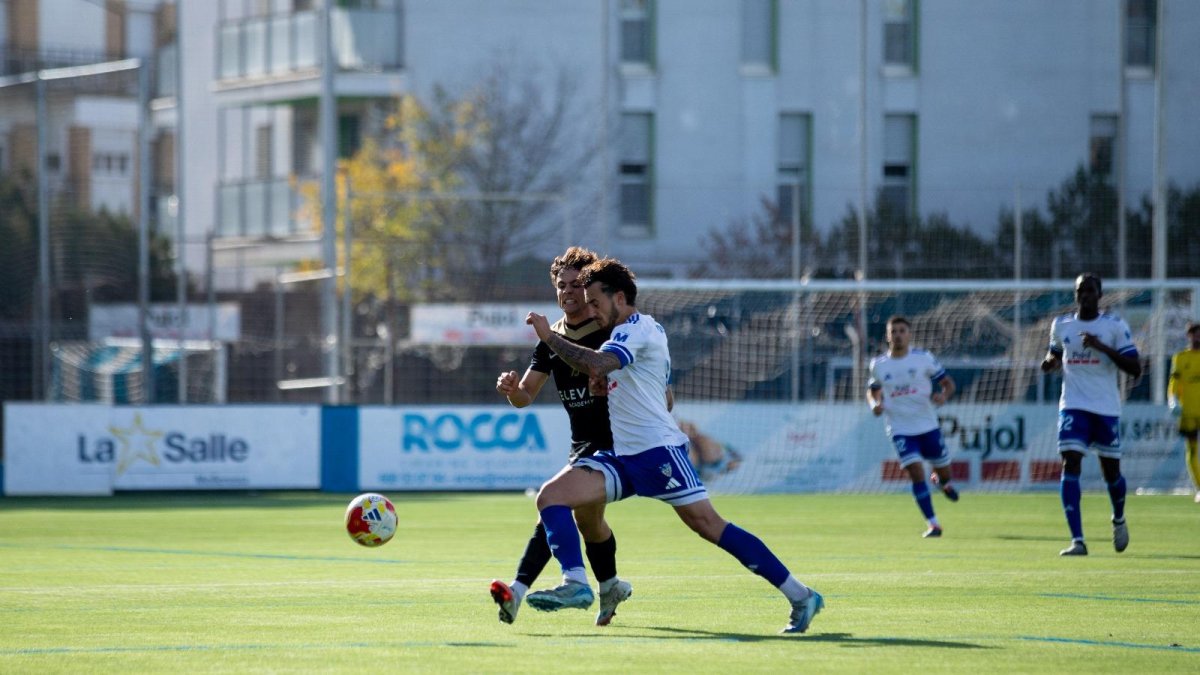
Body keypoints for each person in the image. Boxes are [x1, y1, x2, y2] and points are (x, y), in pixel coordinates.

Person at [522, 257, 823, 634]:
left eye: (596, 302)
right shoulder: (620, 335)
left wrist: (551, 338)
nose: (591, 311)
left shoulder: (639, 328)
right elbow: (643, 386)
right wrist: (605, 384)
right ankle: (576, 584)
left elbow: (602, 365)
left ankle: (801, 595)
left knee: (709, 525)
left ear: (619, 297)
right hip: (622, 457)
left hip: (658, 453)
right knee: (551, 497)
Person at [489, 246, 632, 627]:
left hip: (618, 445)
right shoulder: (549, 338)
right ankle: (611, 585)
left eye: (574, 285)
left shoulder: (608, 330)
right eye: (560, 285)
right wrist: (510, 390)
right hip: (582, 447)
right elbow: (525, 397)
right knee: (588, 524)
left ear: (588, 289)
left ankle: (548, 587)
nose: (566, 292)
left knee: (552, 502)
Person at [1041, 273, 1142, 556]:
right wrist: (1050, 363)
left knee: (1111, 472)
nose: (1084, 295)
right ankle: (1077, 540)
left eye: (1090, 291)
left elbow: (1135, 368)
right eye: (1080, 291)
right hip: (1073, 404)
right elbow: (1056, 354)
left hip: (1105, 407)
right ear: (1075, 295)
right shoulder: (1061, 325)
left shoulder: (1113, 326)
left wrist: (1100, 346)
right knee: (1070, 462)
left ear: (1100, 295)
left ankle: (1119, 518)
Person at [866, 315, 960, 538]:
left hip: (927, 425)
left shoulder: (923, 358)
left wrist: (943, 396)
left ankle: (942, 482)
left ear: (909, 335)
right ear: (888, 336)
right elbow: (873, 389)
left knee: (945, 472)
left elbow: (947, 383)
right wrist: (874, 404)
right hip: (899, 428)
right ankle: (933, 524)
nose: (898, 335)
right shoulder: (878, 365)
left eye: (902, 331)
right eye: (894, 331)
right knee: (916, 472)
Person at [1167, 321, 1200, 503]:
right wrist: (1172, 399)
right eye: (1195, 333)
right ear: (1189, 336)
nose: (1198, 337)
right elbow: (1174, 383)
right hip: (1188, 412)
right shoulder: (1180, 357)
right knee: (1192, 449)